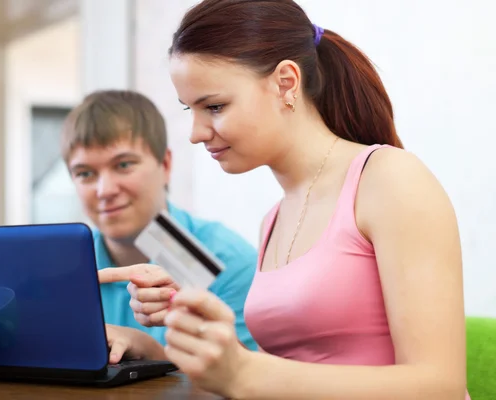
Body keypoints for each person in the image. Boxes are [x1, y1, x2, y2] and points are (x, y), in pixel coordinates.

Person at [123, 0, 471, 399]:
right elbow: (288, 377)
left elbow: (439, 387)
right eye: (191, 109)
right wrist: (180, 328)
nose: (196, 133)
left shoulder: (390, 179)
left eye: (214, 107)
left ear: (286, 82)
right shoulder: (273, 220)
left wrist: (244, 374)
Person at [60, 89, 258, 364]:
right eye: (85, 174)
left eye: (124, 165)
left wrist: (149, 351)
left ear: (165, 164)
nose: (104, 190)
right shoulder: (64, 269)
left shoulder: (229, 262)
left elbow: (246, 381)